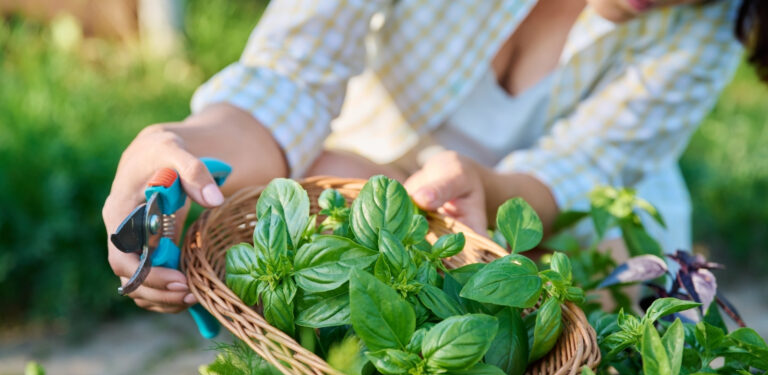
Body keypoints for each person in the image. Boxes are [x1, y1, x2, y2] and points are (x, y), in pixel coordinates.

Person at [103, 0, 767, 314]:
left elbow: (579, 170)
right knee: (324, 193)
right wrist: (184, 151)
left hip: (551, 223)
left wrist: (483, 188)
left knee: (583, 323)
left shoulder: (712, 23)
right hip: (353, 177)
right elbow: (287, 78)